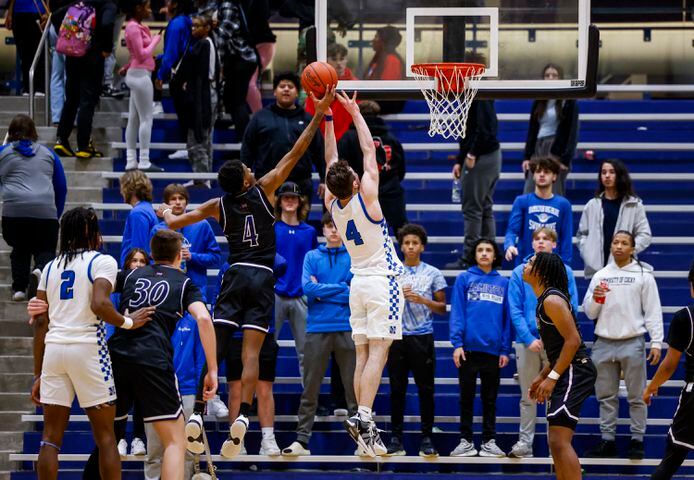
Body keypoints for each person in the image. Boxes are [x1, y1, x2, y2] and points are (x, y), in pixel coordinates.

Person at [155, 87, 335, 458]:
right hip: (262, 277)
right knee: (252, 352)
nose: (254, 169)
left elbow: (178, 220)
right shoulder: (265, 189)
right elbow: (295, 152)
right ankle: (246, 415)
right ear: (247, 180)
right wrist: (317, 115)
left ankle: (201, 412)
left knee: (216, 349)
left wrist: (166, 215)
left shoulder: (216, 204)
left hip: (234, 274)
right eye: (249, 169)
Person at [30, 207, 154, 480]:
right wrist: (128, 321)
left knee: (50, 439)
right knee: (106, 437)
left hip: (54, 349)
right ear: (90, 232)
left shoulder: (50, 267)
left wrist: (38, 373)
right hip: (87, 347)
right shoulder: (102, 261)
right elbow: (100, 304)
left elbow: (40, 323)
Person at [91, 229, 218, 479]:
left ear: (151, 254)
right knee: (175, 440)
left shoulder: (130, 275)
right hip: (153, 360)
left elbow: (95, 288)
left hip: (118, 356)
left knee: (108, 437)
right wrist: (212, 369)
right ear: (179, 257)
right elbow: (203, 318)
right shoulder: (184, 283)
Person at [323, 91, 405, 457]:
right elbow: (370, 151)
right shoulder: (367, 198)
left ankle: (361, 420)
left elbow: (330, 159)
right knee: (380, 352)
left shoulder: (331, 204)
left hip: (357, 283)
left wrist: (327, 119)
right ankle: (365, 417)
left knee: (362, 355)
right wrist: (354, 112)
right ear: (355, 183)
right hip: (381, 281)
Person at [583, 230, 663, 460]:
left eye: (624, 243)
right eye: (615, 242)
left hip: (632, 341)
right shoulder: (601, 275)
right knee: (605, 396)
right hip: (604, 341)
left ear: (632, 248)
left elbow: (653, 310)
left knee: (637, 395)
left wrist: (656, 342)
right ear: (610, 246)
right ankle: (607, 440)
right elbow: (589, 312)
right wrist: (596, 299)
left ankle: (637, 440)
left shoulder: (643, 275)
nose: (618, 246)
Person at [282, 212, 357, 456]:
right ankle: (302, 441)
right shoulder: (311, 256)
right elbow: (307, 289)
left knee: (353, 390)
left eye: (337, 227)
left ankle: (363, 440)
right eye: (328, 226)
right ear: (323, 230)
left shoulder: (354, 257)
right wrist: (339, 288)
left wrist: (322, 291)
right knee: (310, 390)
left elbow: (353, 293)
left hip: (347, 327)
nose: (333, 230)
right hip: (316, 328)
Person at [523, 252, 597, 480]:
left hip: (576, 369)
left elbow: (573, 341)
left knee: (559, 440)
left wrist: (552, 377)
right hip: (565, 368)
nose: (526, 265)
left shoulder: (552, 300)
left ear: (542, 271)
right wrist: (542, 374)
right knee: (555, 441)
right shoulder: (544, 300)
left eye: (531, 262)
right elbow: (557, 348)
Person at [507, 227, 579, 458]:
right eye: (536, 238)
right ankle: (524, 443)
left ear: (554, 244)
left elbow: (572, 307)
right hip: (526, 342)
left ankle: (554, 447)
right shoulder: (520, 272)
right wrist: (528, 338)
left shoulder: (565, 271)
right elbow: (514, 308)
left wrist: (549, 337)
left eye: (545, 239)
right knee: (529, 393)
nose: (540, 242)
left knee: (554, 394)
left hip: (555, 342)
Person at [386, 224, 446, 458]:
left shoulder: (433, 273)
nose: (410, 246)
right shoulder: (392, 272)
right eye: (407, 243)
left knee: (426, 389)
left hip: (422, 337)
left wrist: (423, 300)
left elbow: (442, 308)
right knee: (397, 390)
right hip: (397, 338)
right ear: (401, 246)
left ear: (422, 246)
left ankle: (426, 437)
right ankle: (396, 438)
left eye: (415, 243)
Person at [449, 238, 510, 458]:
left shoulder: (504, 283)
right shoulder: (464, 278)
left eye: (488, 250)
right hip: (468, 351)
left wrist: (504, 350)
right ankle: (465, 441)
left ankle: (488, 441)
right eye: (480, 250)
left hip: (493, 352)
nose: (484, 253)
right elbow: (457, 312)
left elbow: (506, 320)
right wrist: (457, 344)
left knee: (490, 399)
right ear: (475, 255)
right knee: (466, 398)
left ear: (495, 256)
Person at [214, 262, 281, 456]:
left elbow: (282, 263)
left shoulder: (269, 260)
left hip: (264, 332)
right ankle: (237, 440)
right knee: (236, 389)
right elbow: (218, 298)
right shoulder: (227, 266)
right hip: (235, 334)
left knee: (264, 389)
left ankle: (268, 438)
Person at [0, 114, 66, 301]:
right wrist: (56, 214)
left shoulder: (2, 152)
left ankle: (19, 288)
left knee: (19, 248)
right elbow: (61, 187)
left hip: (14, 213)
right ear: (34, 133)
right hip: (45, 212)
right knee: (45, 250)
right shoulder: (49, 153)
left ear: (11, 133)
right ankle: (39, 275)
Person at [241, 71, 326, 204]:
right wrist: (244, 179)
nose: (286, 89)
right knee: (267, 224)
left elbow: (320, 151)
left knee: (299, 224)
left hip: (301, 182)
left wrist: (324, 179)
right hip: (267, 182)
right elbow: (247, 150)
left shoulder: (308, 119)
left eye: (290, 87)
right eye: (282, 86)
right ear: (274, 92)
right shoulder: (260, 117)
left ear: (297, 92)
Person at [643, 261, 694, 480]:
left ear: (692, 286)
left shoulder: (685, 317)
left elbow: (670, 363)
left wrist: (652, 386)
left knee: (673, 458)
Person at [53, 0, 118, 158]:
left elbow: (55, 17)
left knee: (71, 99)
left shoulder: (78, 3)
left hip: (73, 56)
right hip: (92, 57)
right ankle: (83, 145)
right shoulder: (107, 5)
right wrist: (106, 49)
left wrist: (69, 38)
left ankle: (61, 139)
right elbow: (107, 24)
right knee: (87, 101)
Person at [447, 96, 501, 269]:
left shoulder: (481, 96)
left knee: (473, 208)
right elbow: (469, 132)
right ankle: (491, 256)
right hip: (487, 156)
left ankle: (469, 258)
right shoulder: (476, 97)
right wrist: (459, 159)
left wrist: (471, 154)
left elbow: (486, 130)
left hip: (481, 156)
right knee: (484, 207)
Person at [338, 100, 408, 235]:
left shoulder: (347, 137)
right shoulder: (391, 138)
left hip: (361, 193)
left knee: (362, 233)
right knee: (402, 230)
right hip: (391, 192)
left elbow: (341, 167)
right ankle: (409, 256)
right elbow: (401, 169)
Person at [576, 158, 652, 278]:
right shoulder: (592, 205)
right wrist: (588, 253)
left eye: (612, 172)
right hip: (597, 271)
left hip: (624, 269)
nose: (607, 176)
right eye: (603, 172)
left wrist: (628, 251)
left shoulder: (635, 205)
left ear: (620, 175)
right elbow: (582, 234)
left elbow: (645, 235)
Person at [149, 183, 223, 302]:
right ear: (166, 204)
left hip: (195, 289)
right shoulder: (158, 230)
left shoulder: (202, 225)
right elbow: (151, 261)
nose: (178, 202)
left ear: (186, 202)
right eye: (173, 199)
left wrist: (192, 256)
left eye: (181, 198)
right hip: (166, 289)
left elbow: (215, 257)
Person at [274, 181, 317, 377]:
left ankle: (309, 406)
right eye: (286, 197)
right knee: (265, 350)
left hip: (301, 295)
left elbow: (314, 263)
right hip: (275, 294)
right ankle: (256, 400)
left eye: (293, 197)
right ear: (280, 202)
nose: (290, 201)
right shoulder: (271, 228)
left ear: (300, 202)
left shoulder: (309, 232)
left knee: (306, 353)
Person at [504, 157, 573, 266]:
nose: (541, 174)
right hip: (525, 263)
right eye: (538, 171)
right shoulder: (521, 201)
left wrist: (565, 265)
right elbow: (512, 230)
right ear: (533, 176)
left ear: (554, 176)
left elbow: (566, 239)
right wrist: (509, 245)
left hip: (553, 265)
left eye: (546, 172)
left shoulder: (564, 204)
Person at [522, 64, 579, 196]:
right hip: (538, 147)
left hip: (554, 148)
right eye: (547, 75)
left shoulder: (568, 101)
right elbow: (532, 130)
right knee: (530, 190)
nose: (550, 78)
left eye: (554, 75)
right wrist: (527, 156)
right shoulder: (539, 101)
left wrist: (565, 159)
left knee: (554, 191)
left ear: (561, 79)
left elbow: (572, 133)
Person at [121, 0, 163, 172]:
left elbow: (134, 55)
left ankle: (131, 160)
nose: (149, 10)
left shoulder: (134, 26)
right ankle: (144, 160)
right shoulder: (132, 27)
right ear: (137, 8)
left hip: (137, 73)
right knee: (146, 118)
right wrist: (155, 41)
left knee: (134, 119)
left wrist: (125, 67)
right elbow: (141, 54)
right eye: (146, 6)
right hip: (140, 76)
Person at [156, 0, 194, 161]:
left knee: (184, 112)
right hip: (190, 70)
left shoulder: (176, 24)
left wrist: (160, 75)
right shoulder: (187, 20)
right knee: (188, 113)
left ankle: (188, 146)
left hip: (179, 73)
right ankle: (190, 146)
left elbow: (171, 54)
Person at [183, 14, 219, 181]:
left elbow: (201, 77)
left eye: (197, 26)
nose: (193, 29)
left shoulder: (204, 44)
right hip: (208, 93)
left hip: (204, 96)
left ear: (207, 28)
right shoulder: (209, 42)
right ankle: (204, 178)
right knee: (204, 139)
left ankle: (202, 178)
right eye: (192, 26)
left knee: (198, 139)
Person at [215, 0, 256, 138]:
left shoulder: (228, 5)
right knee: (230, 98)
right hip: (240, 58)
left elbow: (223, 36)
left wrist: (218, 64)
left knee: (237, 100)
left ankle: (244, 138)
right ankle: (239, 127)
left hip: (242, 58)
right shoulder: (235, 4)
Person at [304, 42, 357, 141]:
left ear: (346, 60)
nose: (338, 63)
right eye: (334, 59)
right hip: (323, 139)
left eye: (342, 59)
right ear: (326, 60)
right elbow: (310, 116)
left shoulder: (355, 85)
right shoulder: (317, 85)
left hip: (348, 140)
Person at [5, 0, 47, 95]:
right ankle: (28, 87)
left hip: (36, 10)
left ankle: (39, 87)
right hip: (19, 12)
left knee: (37, 51)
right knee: (24, 53)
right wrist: (10, 13)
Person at [119, 170, 158, 267]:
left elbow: (138, 251)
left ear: (130, 188)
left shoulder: (138, 212)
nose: (121, 192)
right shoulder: (146, 208)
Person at [364, 25, 404, 114]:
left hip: (384, 107)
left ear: (384, 41)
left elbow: (387, 90)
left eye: (376, 37)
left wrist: (371, 103)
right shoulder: (378, 60)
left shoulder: (392, 60)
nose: (373, 40)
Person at [245, 0, 276, 113]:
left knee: (249, 83)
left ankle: (258, 116)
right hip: (255, 43)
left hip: (262, 43)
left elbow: (261, 17)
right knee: (248, 83)